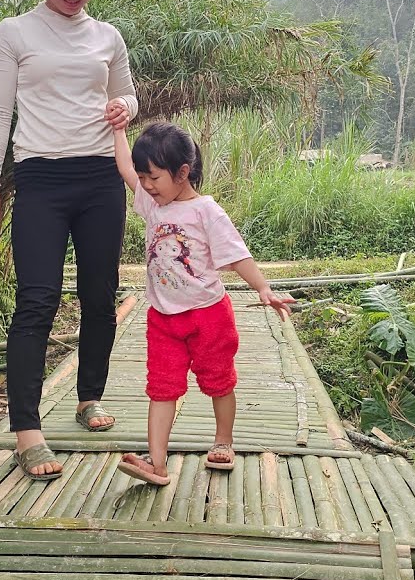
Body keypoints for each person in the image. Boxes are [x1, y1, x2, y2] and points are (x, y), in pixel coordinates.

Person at [0, 0, 137, 481]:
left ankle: (89, 395)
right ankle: (27, 429)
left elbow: (128, 96)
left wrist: (125, 107)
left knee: (100, 295)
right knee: (37, 300)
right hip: (40, 178)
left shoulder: (108, 36)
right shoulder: (14, 32)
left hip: (99, 179)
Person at [109, 121, 294, 486]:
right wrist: (118, 129)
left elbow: (237, 254)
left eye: (155, 177)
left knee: (218, 381)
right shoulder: (151, 203)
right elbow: (125, 168)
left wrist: (263, 288)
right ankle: (157, 463)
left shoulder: (207, 211)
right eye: (144, 177)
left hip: (208, 316)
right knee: (161, 388)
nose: (146, 184)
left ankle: (223, 441)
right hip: (162, 318)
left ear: (183, 172)